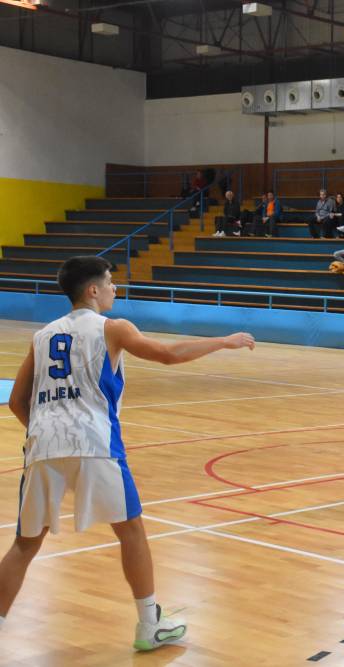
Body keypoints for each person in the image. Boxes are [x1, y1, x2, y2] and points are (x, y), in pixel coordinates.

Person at [0, 256, 254, 651]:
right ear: (93, 290)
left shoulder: (42, 335)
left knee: (25, 544)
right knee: (131, 530)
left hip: (42, 444)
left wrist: (45, 432)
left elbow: (18, 401)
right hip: (95, 443)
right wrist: (223, 341)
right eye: (110, 281)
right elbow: (167, 354)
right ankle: (150, 624)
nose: (115, 288)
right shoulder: (113, 328)